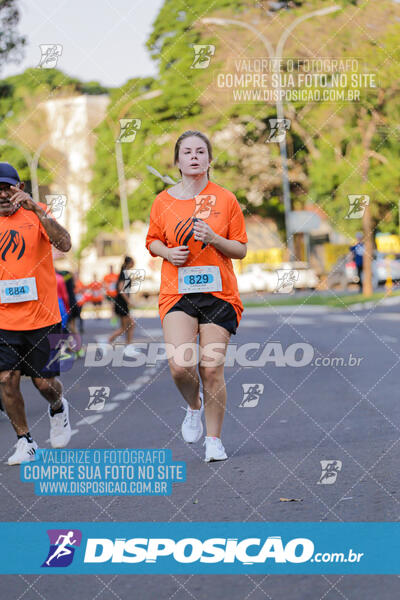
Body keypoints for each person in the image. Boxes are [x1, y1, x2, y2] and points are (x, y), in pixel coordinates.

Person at [145, 130, 248, 462]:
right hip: (178, 291)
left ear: (209, 159)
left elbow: (241, 249)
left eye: (200, 151)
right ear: (177, 161)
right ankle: (193, 406)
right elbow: (152, 240)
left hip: (218, 293)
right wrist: (166, 253)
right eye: (187, 152)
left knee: (211, 369)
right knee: (180, 366)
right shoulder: (163, 201)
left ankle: (214, 440)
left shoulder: (226, 199)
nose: (193, 156)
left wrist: (215, 238)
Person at [0, 162, 72, 465]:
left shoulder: (37, 212)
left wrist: (38, 211)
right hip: (4, 319)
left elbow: (65, 244)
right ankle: (25, 440)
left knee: (44, 383)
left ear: (21, 189)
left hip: (44, 316)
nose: (2, 194)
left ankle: (58, 407)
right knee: (6, 379)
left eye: (8, 187)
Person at [108, 256, 135, 344]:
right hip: (121, 303)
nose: (134, 263)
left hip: (122, 303)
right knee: (127, 326)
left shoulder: (124, 272)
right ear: (128, 263)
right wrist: (128, 301)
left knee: (129, 325)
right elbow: (121, 289)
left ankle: (128, 343)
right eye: (132, 262)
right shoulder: (123, 273)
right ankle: (110, 339)